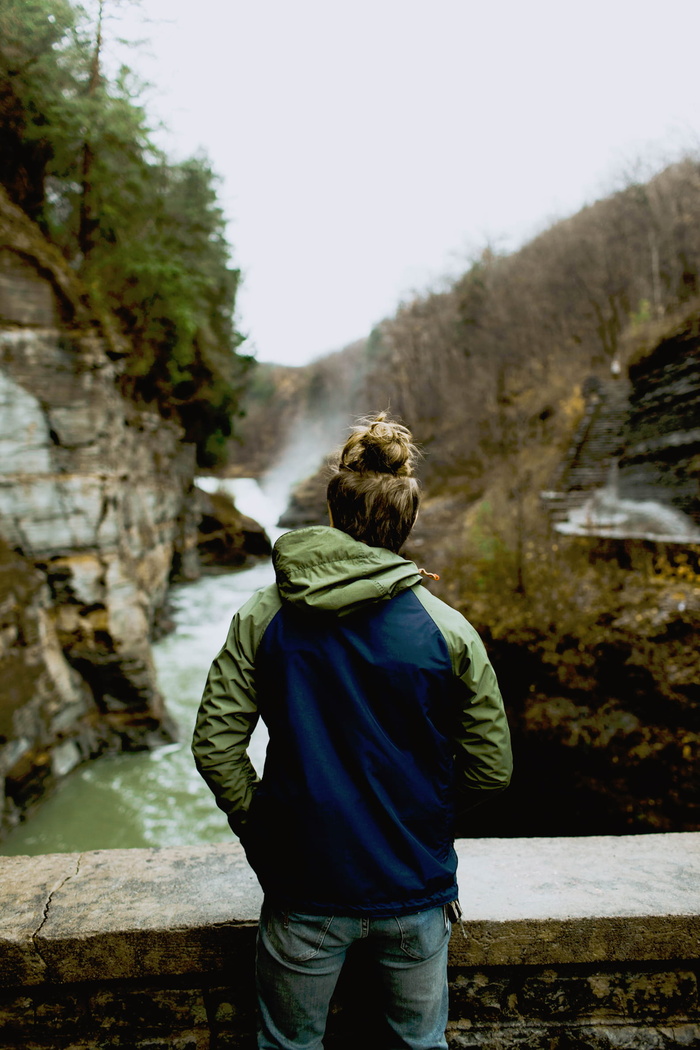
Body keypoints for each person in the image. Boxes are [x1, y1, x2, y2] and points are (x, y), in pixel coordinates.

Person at [192, 413, 512, 1050]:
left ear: (335, 514)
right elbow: (491, 769)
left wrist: (263, 827)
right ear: (407, 521)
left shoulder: (263, 614)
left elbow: (215, 744)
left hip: (304, 884)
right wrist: (422, 820)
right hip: (413, 886)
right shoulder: (448, 629)